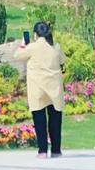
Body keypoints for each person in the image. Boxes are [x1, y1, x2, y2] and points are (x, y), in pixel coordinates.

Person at [14, 21, 67, 159]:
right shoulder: (56, 46)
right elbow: (62, 61)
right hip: (54, 89)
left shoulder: (32, 47)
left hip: (37, 90)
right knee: (55, 121)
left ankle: (42, 151)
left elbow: (17, 56)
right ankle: (56, 150)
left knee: (40, 121)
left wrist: (22, 44)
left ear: (35, 34)